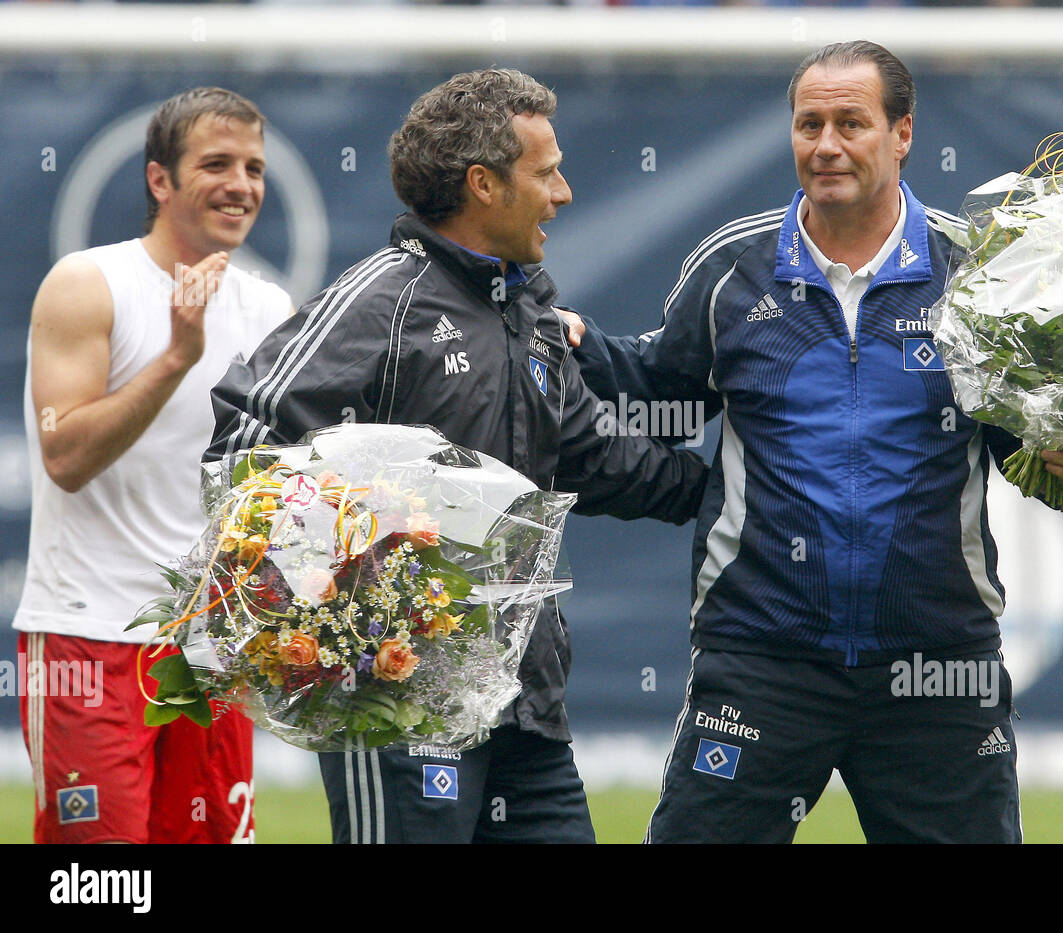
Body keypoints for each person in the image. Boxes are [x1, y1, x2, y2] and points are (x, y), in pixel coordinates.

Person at [561, 40, 1063, 843]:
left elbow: (1040, 454)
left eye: (851, 122)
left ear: (903, 134)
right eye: (808, 123)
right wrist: (567, 341)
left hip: (937, 663)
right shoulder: (733, 269)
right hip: (762, 657)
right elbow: (656, 380)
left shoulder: (980, 277)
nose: (825, 144)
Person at [204, 69, 708, 845]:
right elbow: (245, 441)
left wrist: (729, 494)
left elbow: (592, 454)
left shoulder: (531, 308)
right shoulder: (381, 299)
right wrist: (340, 605)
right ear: (484, 184)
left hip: (526, 701)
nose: (564, 192)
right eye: (546, 173)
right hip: (396, 705)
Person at [14, 87, 293, 844]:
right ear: (159, 180)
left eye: (254, 167)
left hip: (210, 651)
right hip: (90, 635)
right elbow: (66, 455)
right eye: (216, 164)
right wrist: (177, 355)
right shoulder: (87, 283)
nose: (242, 184)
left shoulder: (271, 308)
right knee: (102, 880)